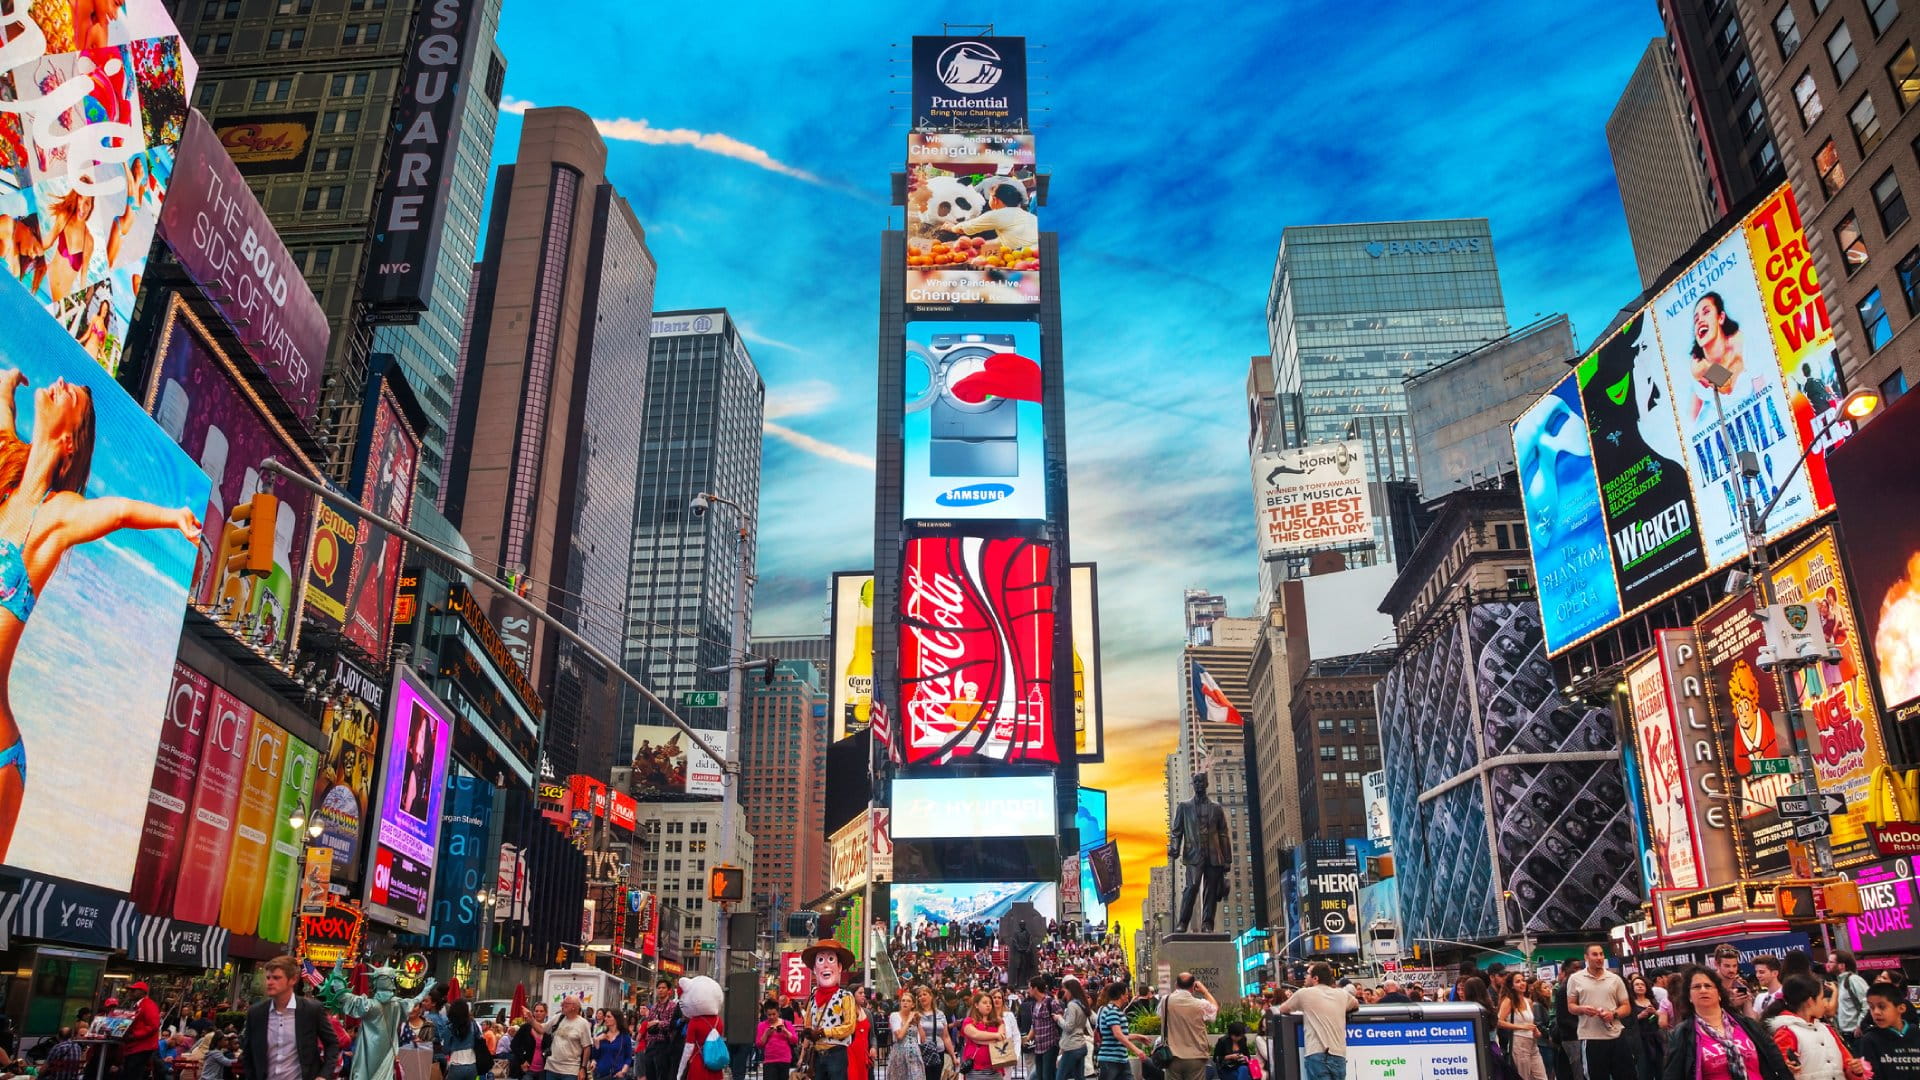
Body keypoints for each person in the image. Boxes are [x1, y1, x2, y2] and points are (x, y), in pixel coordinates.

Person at [0, 369, 202, 861]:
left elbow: (116, 511)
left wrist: (172, 516)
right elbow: (3, 419)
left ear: (70, 441)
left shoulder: (59, 515)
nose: (64, 380)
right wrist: (7, 385)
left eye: (77, 398)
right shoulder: (6, 484)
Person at [1663, 965, 1792, 1080]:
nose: (1703, 990)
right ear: (1689, 997)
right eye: (1696, 987)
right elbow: (1672, 1074)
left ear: (1719, 993)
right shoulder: (1682, 1034)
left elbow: (1775, 1058)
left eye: (1708, 986)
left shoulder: (1746, 1024)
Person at [242, 956, 341, 1080]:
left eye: (276, 978)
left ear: (293, 980)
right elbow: (248, 1053)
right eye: (268, 978)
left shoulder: (311, 1010)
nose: (270, 982)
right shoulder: (256, 1013)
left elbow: (332, 1043)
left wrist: (323, 1076)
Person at [1763, 974, 1860, 1080]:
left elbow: (1848, 1064)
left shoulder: (1827, 1030)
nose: (1825, 1004)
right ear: (1810, 1001)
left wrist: (1855, 1071)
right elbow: (1781, 1070)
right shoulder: (1787, 1033)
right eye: (1822, 998)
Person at [1277, 964, 1358, 1080]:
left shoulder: (1304, 993)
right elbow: (1355, 1004)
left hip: (1317, 1053)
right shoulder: (1342, 994)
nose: (1305, 977)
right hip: (1338, 1054)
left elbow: (1283, 1009)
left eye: (1308, 974)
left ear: (1315, 978)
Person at [1569, 945, 1633, 1080]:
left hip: (1616, 1035)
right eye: (1595, 955)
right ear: (1586, 957)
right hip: (1591, 1038)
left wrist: (1613, 1014)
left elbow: (1626, 1007)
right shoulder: (1575, 979)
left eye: (1601, 954)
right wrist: (1582, 1009)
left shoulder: (1614, 978)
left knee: (1627, 1076)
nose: (1599, 958)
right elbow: (1571, 1006)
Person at [1160, 973, 1220, 1080]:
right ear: (1193, 987)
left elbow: (1159, 1013)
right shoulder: (1201, 1005)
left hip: (1172, 1056)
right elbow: (1214, 1010)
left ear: (1176, 985)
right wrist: (1205, 991)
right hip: (1196, 1056)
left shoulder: (1165, 1000)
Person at [1857, 981, 1920, 1080]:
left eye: (1882, 1006)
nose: (1876, 1012)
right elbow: (1871, 1075)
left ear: (1901, 1008)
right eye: (1872, 1007)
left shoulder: (1916, 1033)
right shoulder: (1869, 1039)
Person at [1093, 983, 1148, 1080]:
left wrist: (1137, 1037)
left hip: (1120, 1059)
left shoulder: (1115, 1010)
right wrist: (1136, 1050)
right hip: (1111, 1059)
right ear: (1121, 995)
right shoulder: (1112, 1011)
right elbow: (1118, 1034)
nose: (1128, 996)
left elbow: (1120, 1035)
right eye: (1126, 994)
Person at [1500, 974, 1548, 1080]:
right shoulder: (1509, 1001)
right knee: (1523, 1076)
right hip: (1519, 1042)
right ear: (1512, 986)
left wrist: (1535, 1030)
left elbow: (1530, 1022)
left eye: (1523, 980)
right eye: (1517, 981)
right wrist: (1521, 1027)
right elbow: (1499, 1022)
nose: (1522, 983)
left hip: (1533, 1042)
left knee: (1541, 1077)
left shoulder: (1529, 1001)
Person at [960, 993, 1009, 1080]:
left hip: (995, 1068)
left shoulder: (998, 1021)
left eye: (990, 1003)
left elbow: (1001, 1038)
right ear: (976, 1005)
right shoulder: (969, 1021)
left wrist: (979, 1040)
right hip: (975, 1069)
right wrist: (995, 1036)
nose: (988, 1005)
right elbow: (975, 1034)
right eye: (984, 1002)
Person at [431, 1000, 484, 1080]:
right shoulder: (474, 1025)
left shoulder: (449, 1028)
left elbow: (445, 1050)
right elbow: (479, 1041)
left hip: (456, 1066)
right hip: (472, 1066)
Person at [547, 998, 596, 1080]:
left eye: (566, 1003)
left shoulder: (583, 1023)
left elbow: (587, 1047)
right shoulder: (558, 1018)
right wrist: (531, 1020)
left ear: (573, 1007)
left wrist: (583, 1068)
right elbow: (542, 1029)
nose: (562, 1005)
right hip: (552, 1068)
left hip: (570, 1071)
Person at [1026, 977, 1064, 1080]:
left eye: (1029, 988)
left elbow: (1062, 1021)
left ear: (1035, 988)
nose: (1028, 990)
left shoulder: (1051, 1002)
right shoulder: (1033, 1005)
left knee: (1048, 1076)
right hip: (1038, 1046)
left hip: (1050, 1045)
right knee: (1039, 1076)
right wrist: (1027, 1038)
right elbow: (1034, 1025)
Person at [1626, 974, 1663, 1079]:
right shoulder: (1630, 1004)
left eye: (1642, 984)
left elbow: (1663, 1019)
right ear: (1632, 988)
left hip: (1656, 1039)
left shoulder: (1653, 1002)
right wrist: (1639, 1016)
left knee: (1660, 1067)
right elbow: (1627, 1023)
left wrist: (1655, 1012)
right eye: (1637, 984)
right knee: (1644, 1069)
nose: (1640, 986)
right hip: (1640, 1040)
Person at [1556, 961, 1588, 1080]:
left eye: (1580, 968)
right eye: (1575, 968)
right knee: (1579, 1071)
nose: (1578, 970)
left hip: (1583, 1035)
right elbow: (1562, 1019)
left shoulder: (1580, 987)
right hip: (1572, 1038)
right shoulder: (1564, 989)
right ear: (1566, 972)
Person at [644, 982, 683, 1080]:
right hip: (651, 1043)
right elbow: (648, 1024)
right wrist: (656, 1023)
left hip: (665, 1044)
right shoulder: (653, 1007)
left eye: (663, 988)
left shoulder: (673, 1006)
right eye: (659, 988)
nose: (660, 990)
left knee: (663, 1074)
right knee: (650, 1072)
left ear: (669, 990)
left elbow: (671, 1024)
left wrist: (657, 1022)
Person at [1057, 979, 1093, 1080]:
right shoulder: (1082, 1004)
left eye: (1064, 990)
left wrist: (1059, 1018)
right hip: (1081, 1045)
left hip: (1071, 1047)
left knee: (1060, 1077)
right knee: (1079, 1077)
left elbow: (1069, 1027)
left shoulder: (1072, 1005)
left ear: (1070, 990)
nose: (1063, 992)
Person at [886, 991, 928, 1080]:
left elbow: (923, 1039)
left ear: (913, 1005)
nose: (905, 1002)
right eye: (903, 1000)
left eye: (908, 1001)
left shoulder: (915, 1016)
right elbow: (899, 1036)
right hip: (900, 1053)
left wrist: (918, 1023)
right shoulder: (895, 1016)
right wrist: (908, 1020)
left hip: (914, 1053)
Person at [1829, 953, 1870, 1042]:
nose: (1828, 964)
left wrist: (1860, 1025)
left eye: (1831, 962)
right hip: (1846, 1035)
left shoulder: (1853, 979)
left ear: (1841, 965)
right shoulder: (1840, 983)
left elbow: (1867, 1003)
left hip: (1856, 1034)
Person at [511, 1004, 551, 1080]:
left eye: (541, 1011)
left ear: (546, 1013)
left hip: (543, 1070)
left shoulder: (548, 1029)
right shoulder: (525, 1028)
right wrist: (522, 1060)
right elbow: (514, 1045)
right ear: (533, 1013)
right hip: (527, 1069)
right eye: (536, 1011)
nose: (538, 1013)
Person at [593, 1013, 635, 1080]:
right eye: (605, 1017)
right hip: (600, 1075)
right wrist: (597, 1040)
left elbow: (628, 1057)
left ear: (616, 1019)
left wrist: (623, 1071)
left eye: (608, 1017)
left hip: (617, 1075)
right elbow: (595, 1056)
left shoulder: (624, 1037)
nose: (605, 1018)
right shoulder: (601, 1035)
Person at [851, 988, 874, 1080]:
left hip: (865, 1053)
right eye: (860, 993)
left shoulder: (867, 1013)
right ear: (853, 995)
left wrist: (873, 1047)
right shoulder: (847, 1013)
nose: (863, 995)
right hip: (851, 1052)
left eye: (863, 993)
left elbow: (873, 1035)